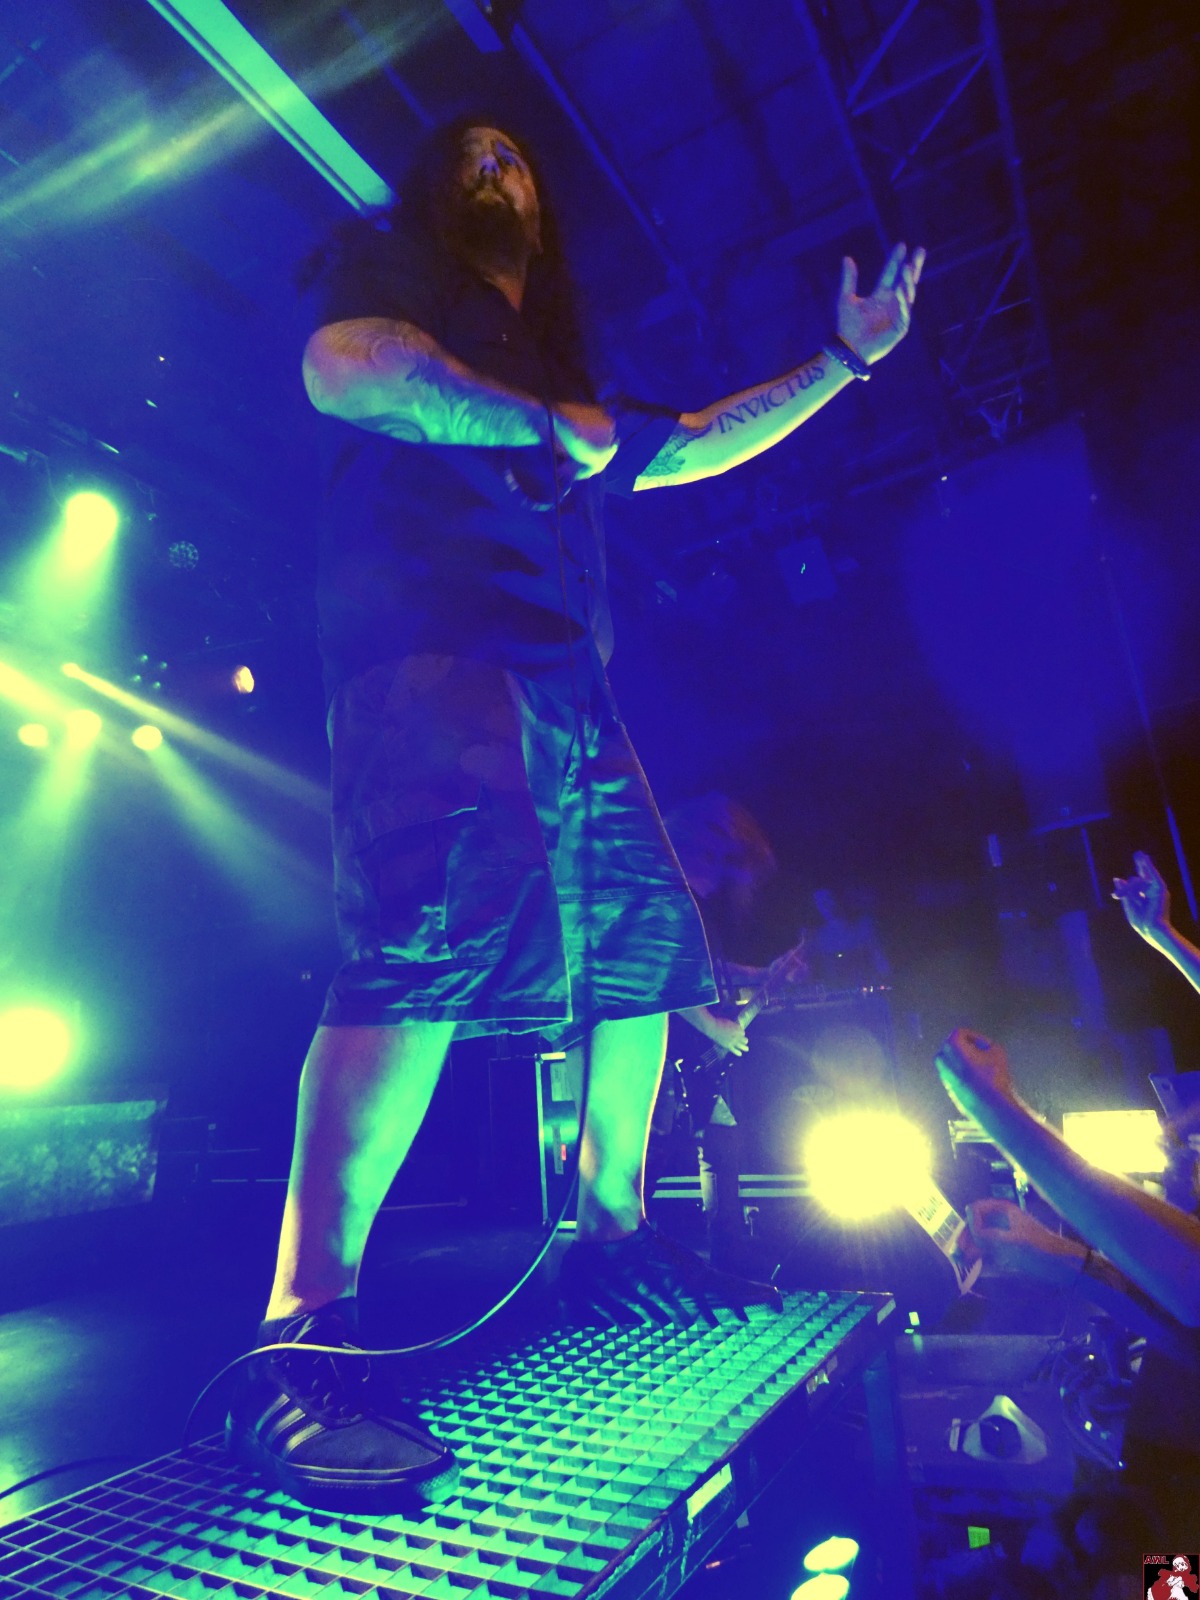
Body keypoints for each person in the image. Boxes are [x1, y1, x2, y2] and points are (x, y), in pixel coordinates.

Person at [226, 114, 925, 1512]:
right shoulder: (396, 274)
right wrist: (538, 424)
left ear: (546, 210)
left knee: (645, 950)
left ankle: (609, 1242)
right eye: (472, 155)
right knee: (423, 947)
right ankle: (296, 1337)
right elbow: (342, 369)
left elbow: (695, 443)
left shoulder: (557, 365)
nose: (497, 168)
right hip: (429, 645)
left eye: (517, 158)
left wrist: (845, 364)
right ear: (436, 193)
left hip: (565, 683)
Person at [936, 1026, 1200, 1536]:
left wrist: (995, 1108)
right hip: (1168, 1485)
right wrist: (1066, 1261)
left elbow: (1193, 1285)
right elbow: (1185, 1325)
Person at [658, 794, 792, 1269]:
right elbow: (665, 976)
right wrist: (714, 1026)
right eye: (715, 851)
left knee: (722, 1143)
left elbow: (708, 970)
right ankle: (649, 1249)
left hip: (689, 1054)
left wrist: (767, 974)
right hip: (667, 1050)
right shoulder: (670, 897)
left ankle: (728, 1247)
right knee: (659, 1151)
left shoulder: (695, 906)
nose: (722, 869)